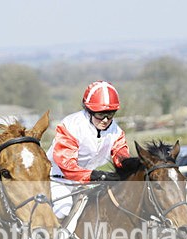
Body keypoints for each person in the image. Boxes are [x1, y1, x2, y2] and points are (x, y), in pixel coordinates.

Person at [47, 80, 130, 217]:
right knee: (63, 209)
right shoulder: (71, 126)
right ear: (89, 111)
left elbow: (122, 157)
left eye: (110, 114)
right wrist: (95, 175)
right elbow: (67, 166)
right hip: (58, 179)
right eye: (100, 114)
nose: (105, 120)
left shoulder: (117, 132)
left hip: (87, 181)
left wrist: (134, 168)